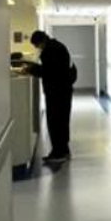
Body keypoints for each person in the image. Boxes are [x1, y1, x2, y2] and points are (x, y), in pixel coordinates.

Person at [27, 31, 76, 164]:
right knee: (62, 122)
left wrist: (31, 69)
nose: (38, 48)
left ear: (41, 42)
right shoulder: (57, 46)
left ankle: (58, 153)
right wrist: (35, 68)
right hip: (63, 91)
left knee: (55, 122)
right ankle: (63, 150)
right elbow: (54, 69)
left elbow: (50, 72)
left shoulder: (52, 50)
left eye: (37, 46)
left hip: (57, 92)